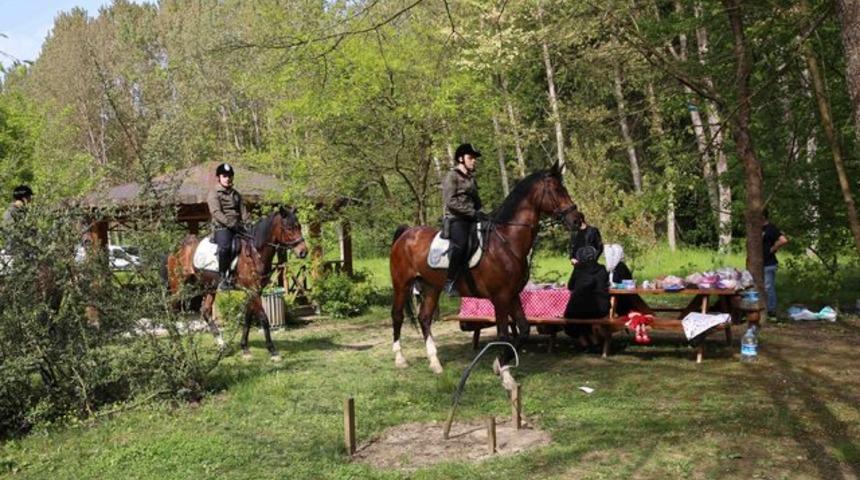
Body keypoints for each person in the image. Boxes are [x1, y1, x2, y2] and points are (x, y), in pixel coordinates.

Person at [441, 143, 487, 296]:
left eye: (474, 158)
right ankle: (450, 281)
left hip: (472, 218)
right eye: (471, 158)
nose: (474, 161)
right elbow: (450, 202)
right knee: (460, 245)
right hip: (456, 219)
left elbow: (477, 202)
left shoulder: (471, 179)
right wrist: (472, 213)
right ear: (461, 159)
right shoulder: (452, 176)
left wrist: (485, 213)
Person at [207, 163, 249, 290]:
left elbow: (244, 211)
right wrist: (231, 223)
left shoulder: (236, 194)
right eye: (224, 176)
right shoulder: (214, 193)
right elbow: (216, 212)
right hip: (222, 228)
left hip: (237, 227)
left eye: (230, 176)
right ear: (218, 177)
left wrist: (248, 223)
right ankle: (222, 278)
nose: (228, 178)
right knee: (225, 248)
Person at [563, 246, 610, 348]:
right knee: (586, 316)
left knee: (574, 317)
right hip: (600, 309)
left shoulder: (578, 269)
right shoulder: (602, 269)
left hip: (577, 309)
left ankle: (585, 342)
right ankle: (593, 341)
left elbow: (571, 286)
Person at [762, 208, 788, 318]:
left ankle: (771, 310)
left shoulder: (771, 228)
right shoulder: (755, 228)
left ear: (763, 216)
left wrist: (773, 248)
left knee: (768, 287)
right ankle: (761, 308)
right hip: (758, 263)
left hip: (769, 263)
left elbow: (783, 240)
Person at [604, 243, 634, 316]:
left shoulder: (621, 267)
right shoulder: (609, 269)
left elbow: (628, 284)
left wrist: (616, 285)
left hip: (622, 301)